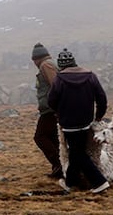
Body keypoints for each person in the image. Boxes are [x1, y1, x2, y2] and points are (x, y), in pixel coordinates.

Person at [48, 48, 110, 194]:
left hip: (68, 123)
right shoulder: (90, 76)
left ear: (61, 65)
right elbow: (101, 97)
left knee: (78, 154)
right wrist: (99, 116)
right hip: (86, 121)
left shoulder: (59, 79)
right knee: (76, 153)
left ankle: (99, 182)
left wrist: (58, 112)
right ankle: (70, 183)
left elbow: (51, 100)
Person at [31, 42, 63, 179]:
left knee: (40, 136)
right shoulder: (50, 64)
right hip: (52, 109)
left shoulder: (46, 65)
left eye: (33, 60)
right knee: (53, 138)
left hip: (50, 109)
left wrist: (57, 107)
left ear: (37, 58)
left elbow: (55, 86)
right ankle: (60, 167)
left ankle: (59, 164)